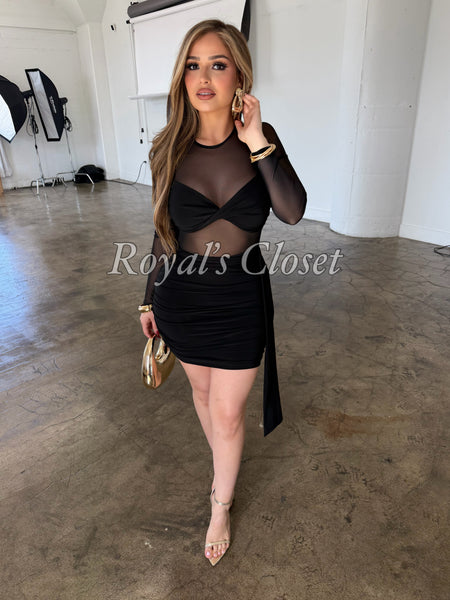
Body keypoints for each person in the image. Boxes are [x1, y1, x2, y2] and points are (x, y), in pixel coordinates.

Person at [139, 18, 307, 566]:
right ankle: (225, 465)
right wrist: (148, 298)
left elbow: (292, 211)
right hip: (181, 298)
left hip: (239, 301)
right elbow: (163, 233)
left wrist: (255, 139)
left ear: (239, 75)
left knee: (229, 413)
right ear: (182, 77)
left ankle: (220, 504)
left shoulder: (262, 138)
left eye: (218, 65)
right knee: (203, 393)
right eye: (193, 66)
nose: (204, 78)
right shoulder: (167, 147)